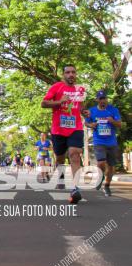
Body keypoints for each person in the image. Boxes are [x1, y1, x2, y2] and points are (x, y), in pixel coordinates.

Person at [42, 64, 86, 203]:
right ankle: (60, 178)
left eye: (73, 72)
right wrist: (60, 101)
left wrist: (85, 112)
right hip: (58, 129)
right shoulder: (57, 87)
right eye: (68, 72)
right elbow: (44, 103)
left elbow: (81, 106)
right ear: (64, 75)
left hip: (76, 127)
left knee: (74, 153)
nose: (71, 74)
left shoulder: (80, 90)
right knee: (60, 158)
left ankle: (75, 188)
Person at [85, 90, 122, 196]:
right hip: (99, 141)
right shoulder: (92, 111)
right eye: (100, 99)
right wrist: (91, 125)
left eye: (104, 98)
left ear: (107, 99)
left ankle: (107, 186)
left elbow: (119, 124)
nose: (103, 100)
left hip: (111, 142)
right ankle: (100, 177)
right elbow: (87, 122)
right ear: (97, 100)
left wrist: (112, 121)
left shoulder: (113, 110)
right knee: (101, 162)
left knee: (111, 166)